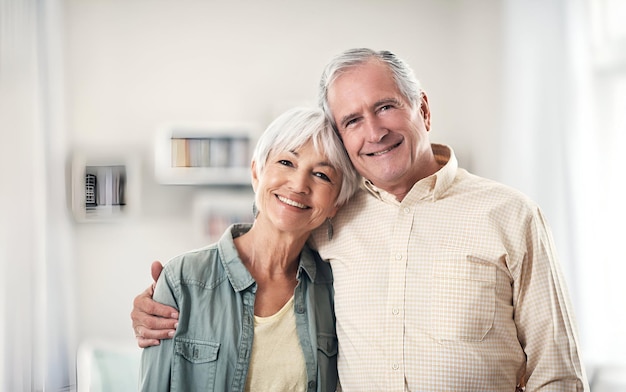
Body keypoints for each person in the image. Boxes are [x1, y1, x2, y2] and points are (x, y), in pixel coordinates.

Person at [132, 48, 588, 391]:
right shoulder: (333, 220)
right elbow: (260, 251)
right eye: (352, 120)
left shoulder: (510, 214)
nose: (374, 131)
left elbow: (557, 372)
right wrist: (157, 301)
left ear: (423, 109)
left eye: (386, 106)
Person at [138, 107, 359, 391]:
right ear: (257, 172)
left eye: (321, 175)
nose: (299, 184)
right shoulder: (182, 280)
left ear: (336, 204)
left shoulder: (335, 288)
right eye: (286, 162)